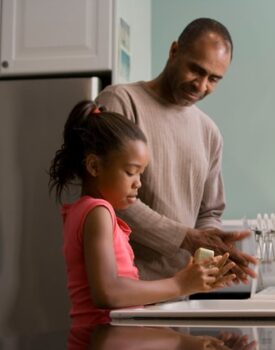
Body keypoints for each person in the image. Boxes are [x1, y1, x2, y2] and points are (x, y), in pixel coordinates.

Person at [95, 18, 257, 282]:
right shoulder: (120, 102)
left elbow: (210, 212)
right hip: (124, 286)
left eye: (214, 79)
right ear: (174, 51)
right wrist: (185, 238)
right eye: (196, 70)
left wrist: (211, 248)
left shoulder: (209, 132)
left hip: (180, 290)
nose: (201, 85)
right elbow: (108, 194)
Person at [49, 100, 235, 327]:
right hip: (102, 339)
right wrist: (180, 285)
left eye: (141, 173)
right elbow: (108, 293)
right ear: (94, 167)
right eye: (131, 172)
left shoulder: (85, 210)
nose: (139, 183)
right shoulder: (99, 212)